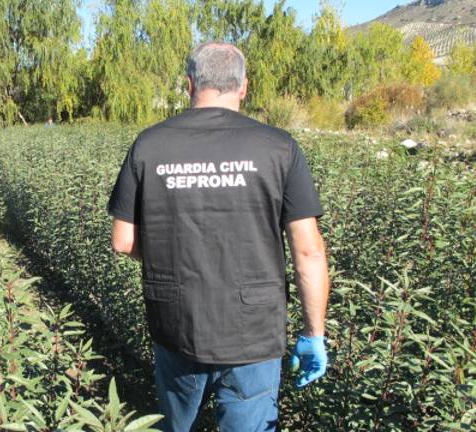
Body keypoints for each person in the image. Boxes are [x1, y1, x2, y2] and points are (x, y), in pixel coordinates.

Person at [107, 42, 330, 431]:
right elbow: (308, 252)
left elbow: (123, 240)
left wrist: (167, 255)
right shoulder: (279, 147)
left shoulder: (150, 144)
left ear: (189, 83)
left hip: (178, 322)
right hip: (253, 330)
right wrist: (314, 334)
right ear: (243, 87)